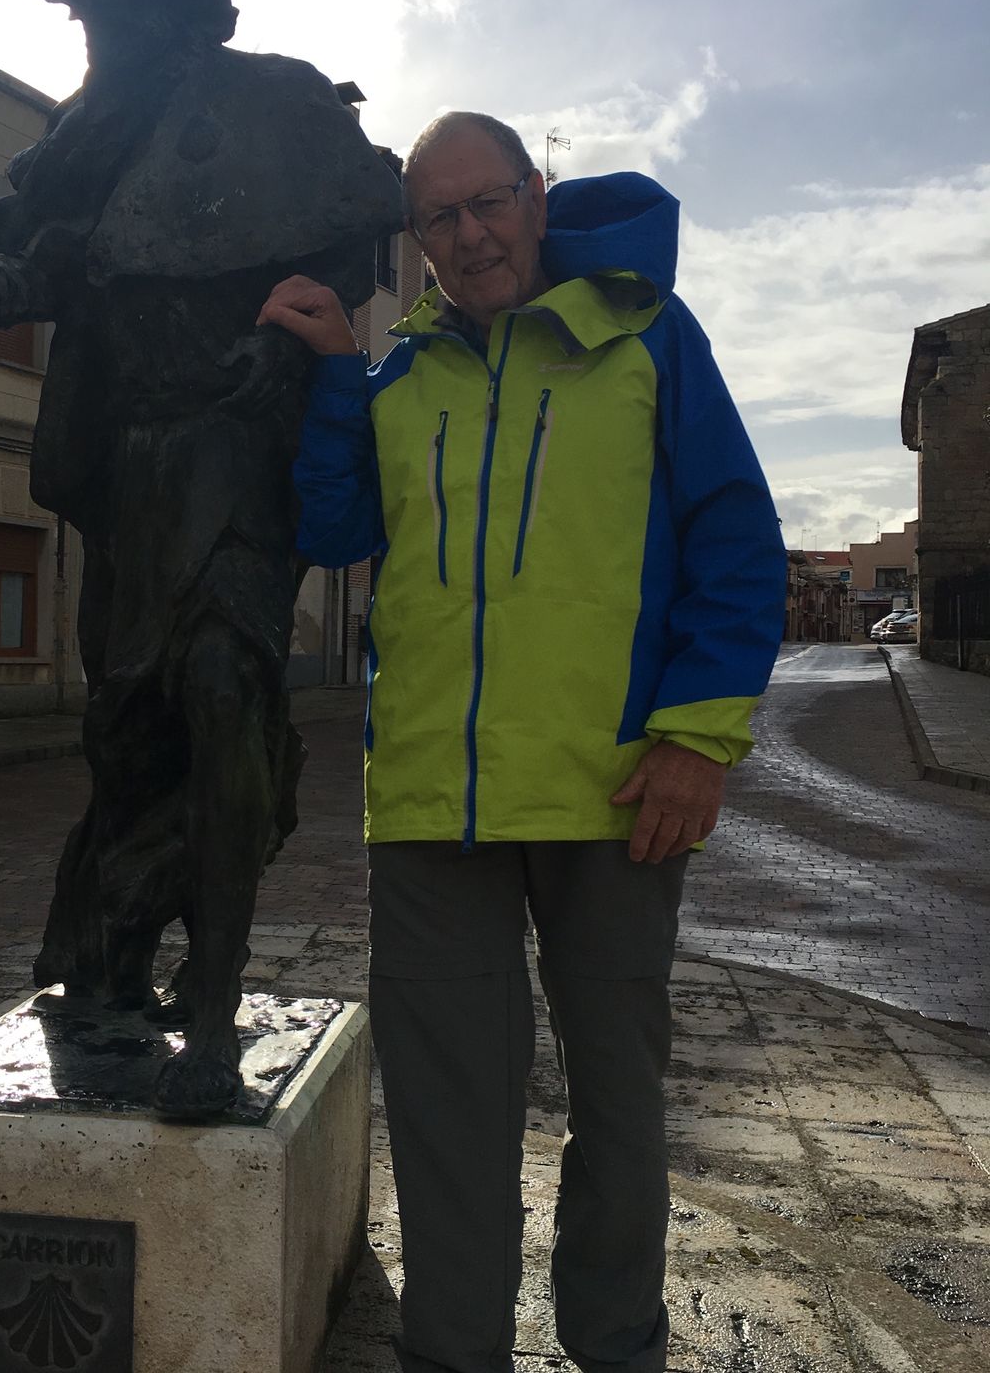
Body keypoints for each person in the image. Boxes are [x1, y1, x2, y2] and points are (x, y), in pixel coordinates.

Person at [258, 112, 786, 1373]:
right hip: (431, 805)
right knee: (444, 1120)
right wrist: (335, 374)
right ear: (418, 239)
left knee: (618, 1106)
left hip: (615, 795)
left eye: (487, 202)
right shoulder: (404, 378)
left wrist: (695, 737)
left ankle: (616, 1348)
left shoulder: (646, 336)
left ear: (535, 197)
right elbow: (331, 529)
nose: (469, 234)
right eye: (437, 218)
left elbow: (733, 541)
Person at [0, 0, 400, 1117]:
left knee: (222, 688)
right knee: (127, 740)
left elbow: (351, 234)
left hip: (236, 450)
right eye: (85, 16)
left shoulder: (275, 104)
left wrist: (289, 341)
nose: (96, 33)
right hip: (128, 472)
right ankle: (113, 950)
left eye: (110, 10)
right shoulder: (89, 135)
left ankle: (214, 1016)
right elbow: (53, 270)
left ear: (171, 11)